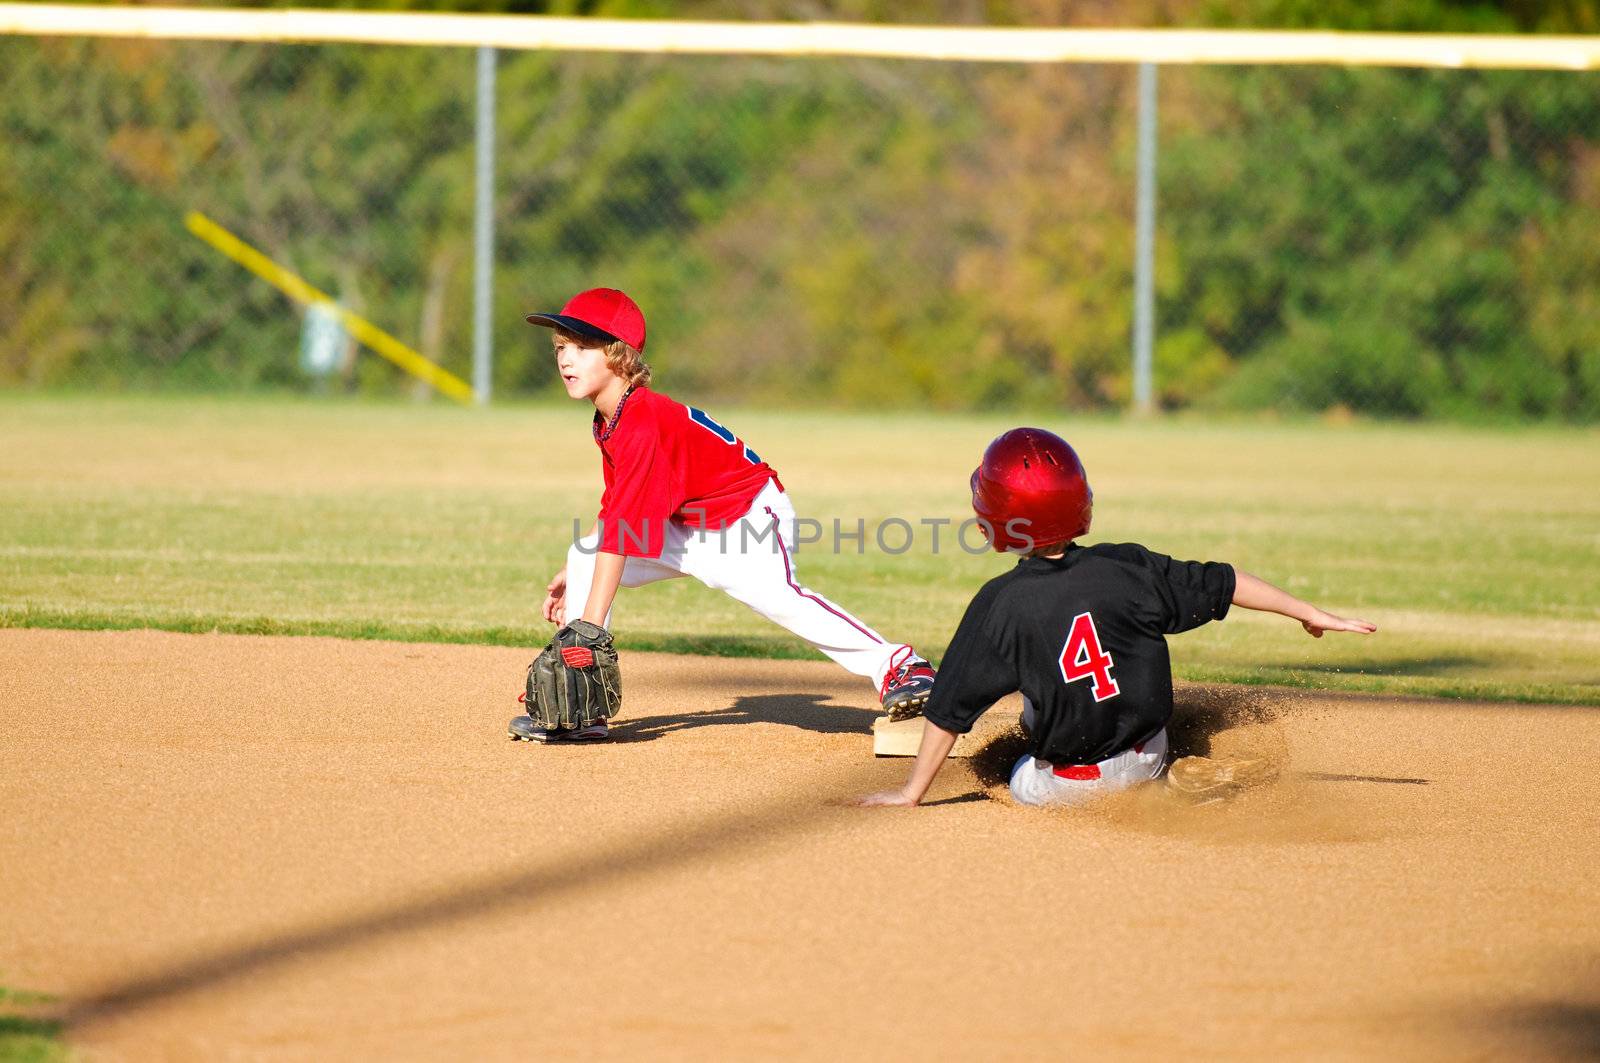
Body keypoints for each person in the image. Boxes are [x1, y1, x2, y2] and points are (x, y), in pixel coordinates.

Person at [858, 427, 1375, 808]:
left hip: (1070, 787)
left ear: (997, 519)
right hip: (1149, 752)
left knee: (1013, 765)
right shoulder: (1127, 565)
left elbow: (949, 714)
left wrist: (910, 792)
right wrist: (1308, 612)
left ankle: (1098, 785)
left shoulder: (1001, 601)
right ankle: (1164, 777)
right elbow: (1227, 581)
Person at [511, 287, 935, 742]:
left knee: (780, 599)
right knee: (587, 554)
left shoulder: (641, 420)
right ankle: (583, 713)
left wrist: (589, 629)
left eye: (580, 346)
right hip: (690, 525)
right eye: (560, 348)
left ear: (618, 355)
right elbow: (616, 505)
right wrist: (575, 569)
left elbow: (625, 528)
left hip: (747, 515)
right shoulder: (611, 417)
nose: (565, 359)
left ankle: (902, 667)